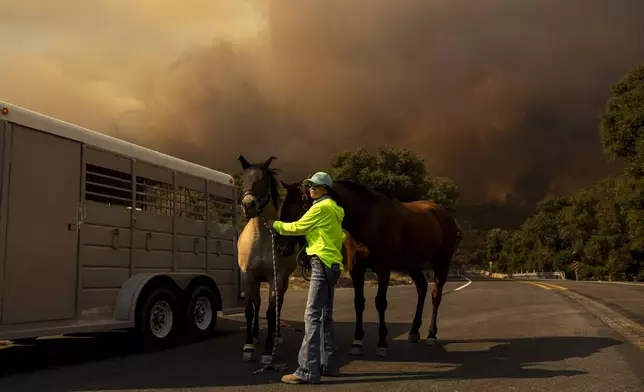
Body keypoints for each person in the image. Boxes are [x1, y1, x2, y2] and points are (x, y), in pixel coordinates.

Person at [264, 171, 346, 384]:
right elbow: (340, 237)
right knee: (325, 316)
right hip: (333, 264)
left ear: (325, 189)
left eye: (315, 185)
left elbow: (297, 227)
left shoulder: (320, 208)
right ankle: (329, 365)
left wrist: (274, 225)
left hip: (321, 263)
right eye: (310, 185)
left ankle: (307, 371)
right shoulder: (336, 211)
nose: (311, 188)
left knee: (311, 316)